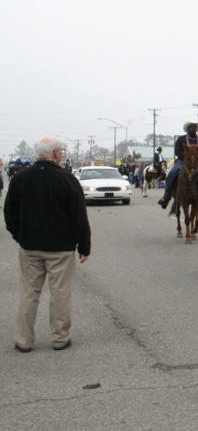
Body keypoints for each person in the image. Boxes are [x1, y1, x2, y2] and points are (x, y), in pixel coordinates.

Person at [4, 136, 91, 352]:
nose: (61, 153)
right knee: (60, 292)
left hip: (30, 246)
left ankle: (23, 341)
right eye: (60, 150)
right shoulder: (67, 179)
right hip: (61, 248)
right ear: (55, 153)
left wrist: (20, 235)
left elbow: (9, 213)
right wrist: (84, 245)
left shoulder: (20, 178)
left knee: (29, 293)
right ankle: (60, 338)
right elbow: (78, 215)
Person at [158, 123, 198, 209]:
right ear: (188, 129)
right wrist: (187, 156)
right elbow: (177, 151)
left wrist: (195, 157)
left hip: (196, 162)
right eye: (191, 127)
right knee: (172, 174)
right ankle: (166, 198)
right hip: (183, 161)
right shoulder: (181, 139)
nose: (193, 128)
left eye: (195, 127)